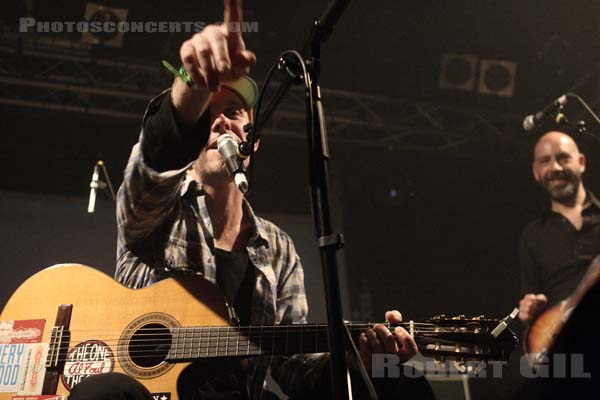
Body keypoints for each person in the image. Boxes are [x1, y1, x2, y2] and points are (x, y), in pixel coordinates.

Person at [70, 1, 433, 399]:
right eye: (206, 116)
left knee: (402, 385)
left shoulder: (278, 248)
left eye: (233, 112)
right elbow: (153, 167)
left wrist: (354, 360)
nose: (219, 121)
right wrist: (194, 81)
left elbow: (295, 368)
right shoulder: (161, 210)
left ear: (252, 142)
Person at [518, 130, 600, 325]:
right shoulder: (532, 235)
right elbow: (530, 300)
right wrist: (528, 309)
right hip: (564, 346)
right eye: (545, 161)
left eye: (563, 158)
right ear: (535, 172)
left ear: (581, 163)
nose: (555, 167)